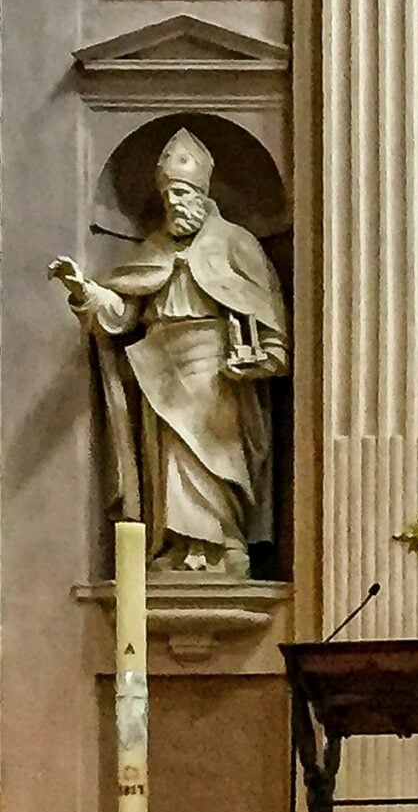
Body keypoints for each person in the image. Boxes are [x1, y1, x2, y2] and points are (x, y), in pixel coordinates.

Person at [50, 129, 288, 574]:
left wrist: (265, 357)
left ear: (201, 194)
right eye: (168, 196)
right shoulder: (154, 250)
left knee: (215, 461)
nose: (174, 203)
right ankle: (178, 547)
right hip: (158, 370)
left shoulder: (237, 244)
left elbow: (266, 316)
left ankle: (223, 545)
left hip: (218, 374)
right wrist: (84, 290)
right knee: (172, 464)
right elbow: (120, 316)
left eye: (182, 193)